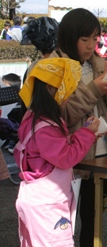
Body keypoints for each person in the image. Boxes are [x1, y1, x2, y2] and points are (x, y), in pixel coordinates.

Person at [48, 8, 107, 247]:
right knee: (62, 219)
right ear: (68, 37)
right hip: (69, 155)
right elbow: (58, 115)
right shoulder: (52, 67)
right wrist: (94, 89)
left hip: (102, 151)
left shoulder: (97, 65)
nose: (90, 45)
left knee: (93, 218)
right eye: (85, 39)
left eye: (95, 39)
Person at [13, 58, 100, 247]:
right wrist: (87, 134)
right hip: (48, 205)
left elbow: (52, 149)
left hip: (34, 199)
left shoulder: (33, 118)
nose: (69, 96)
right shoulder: (47, 127)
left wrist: (82, 135)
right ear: (56, 90)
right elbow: (66, 157)